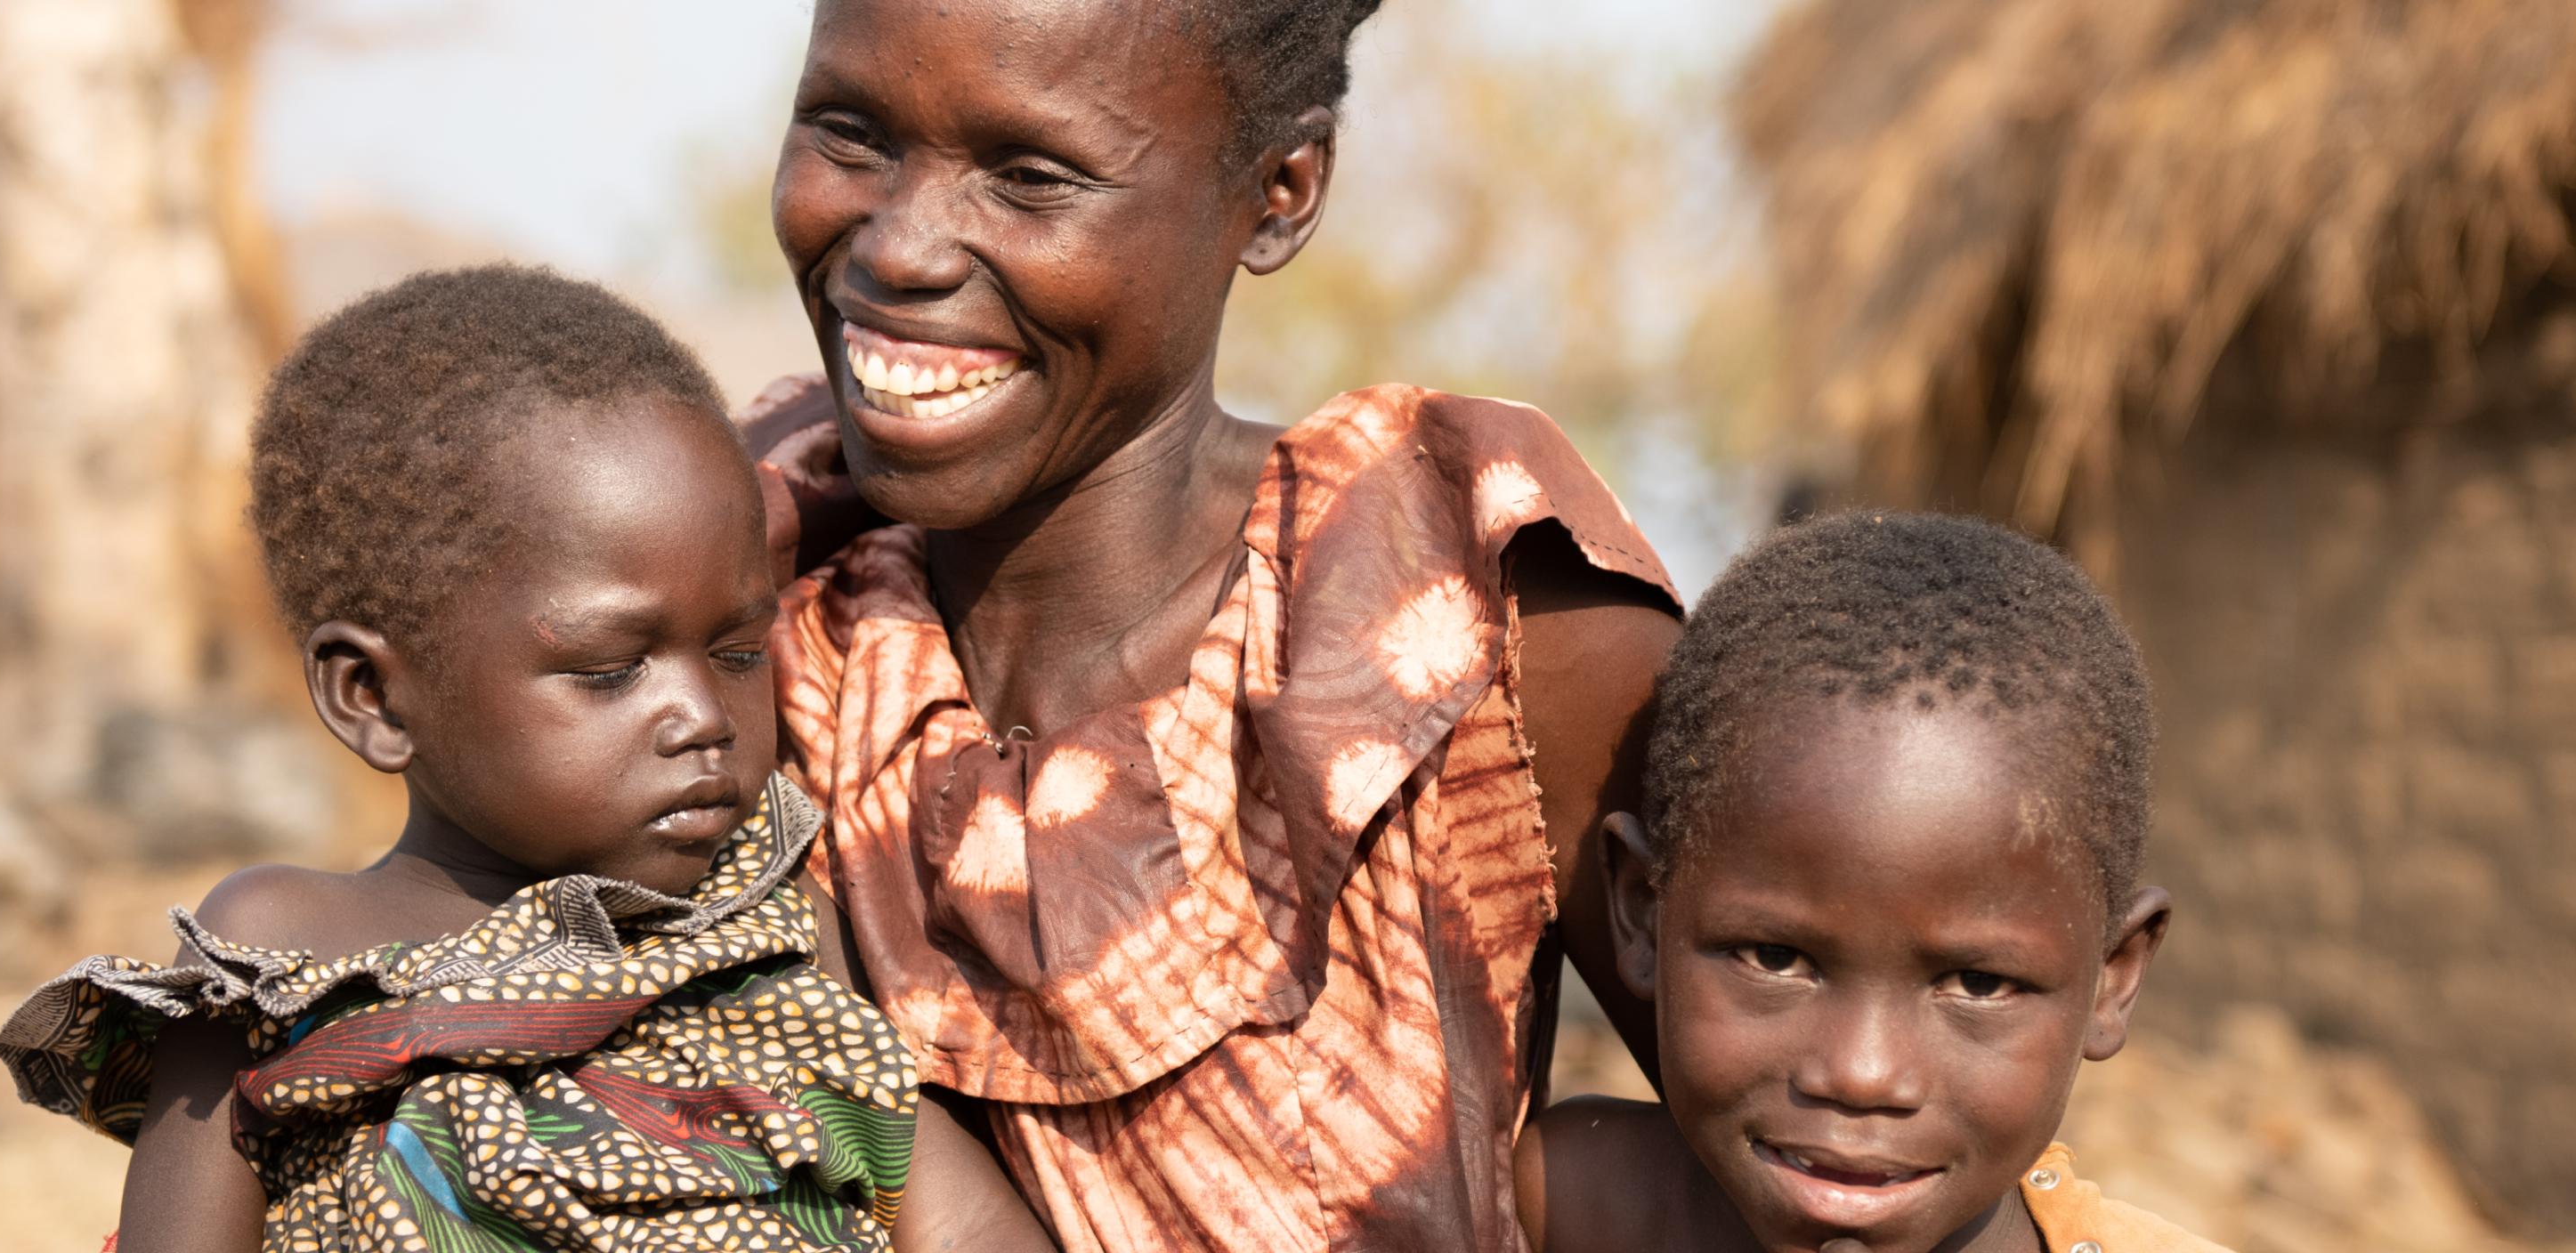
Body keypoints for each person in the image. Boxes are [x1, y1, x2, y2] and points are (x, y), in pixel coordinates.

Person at [744, 0, 1686, 1249]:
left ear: (1281, 192)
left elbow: (1860, 1129)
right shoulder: (746, 613)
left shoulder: (1452, 594)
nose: (900, 248)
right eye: (851, 135)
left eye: (1031, 178)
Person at [0, 266, 918, 1253]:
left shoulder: (767, 921)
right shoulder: (282, 959)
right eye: (608, 669)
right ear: (373, 697)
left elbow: (945, 1216)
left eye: (737, 653)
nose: (703, 715)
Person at [1515, 513, 2224, 1253]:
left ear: (2112, 980)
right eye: (1775, 958)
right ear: (1642, 913)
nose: (1861, 1075)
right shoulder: (1558, 1211)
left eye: (1978, 984)